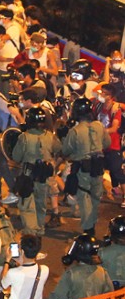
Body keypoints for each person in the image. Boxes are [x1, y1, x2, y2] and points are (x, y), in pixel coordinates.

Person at [62, 97, 110, 235]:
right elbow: (107, 143)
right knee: (96, 196)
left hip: (83, 169)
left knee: (85, 198)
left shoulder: (75, 131)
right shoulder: (99, 126)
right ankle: (92, 224)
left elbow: (66, 150)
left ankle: (89, 231)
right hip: (98, 167)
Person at [11, 107, 59, 236]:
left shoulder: (24, 137)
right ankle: (39, 229)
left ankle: (31, 233)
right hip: (44, 178)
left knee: (26, 205)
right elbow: (59, 149)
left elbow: (16, 157)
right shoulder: (50, 136)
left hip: (28, 176)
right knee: (41, 205)